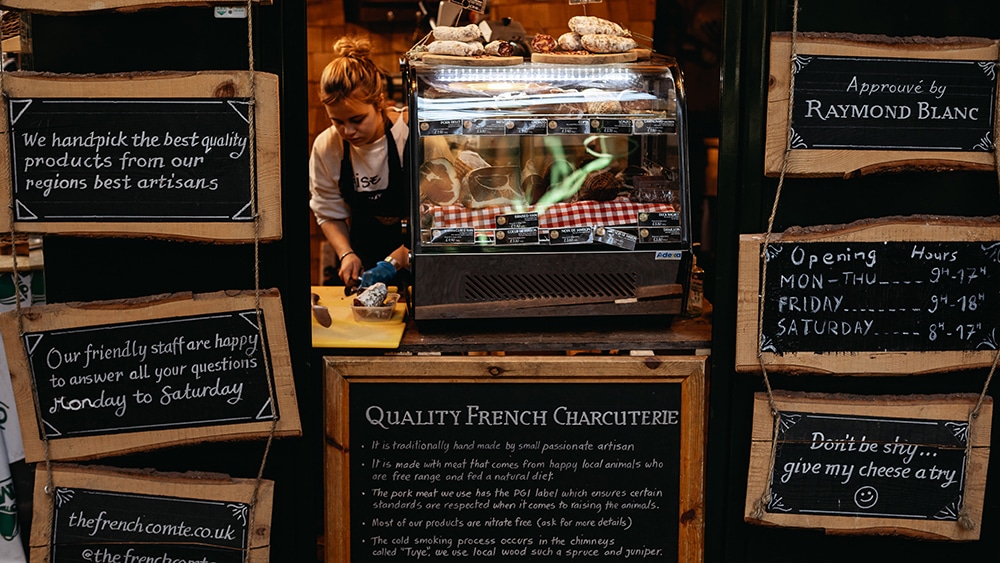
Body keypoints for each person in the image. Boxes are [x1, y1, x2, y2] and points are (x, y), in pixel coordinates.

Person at [309, 35, 410, 291]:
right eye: (337, 121)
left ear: (379, 103)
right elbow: (328, 211)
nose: (348, 131)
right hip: (366, 262)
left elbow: (440, 212)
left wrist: (397, 260)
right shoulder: (327, 147)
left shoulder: (408, 135)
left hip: (418, 261)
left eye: (357, 120)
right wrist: (346, 254)